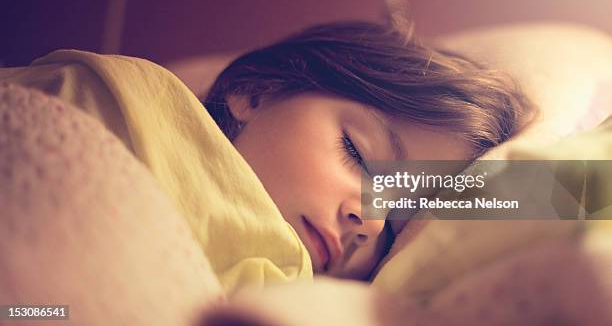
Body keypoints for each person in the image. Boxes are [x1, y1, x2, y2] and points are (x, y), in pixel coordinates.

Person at [202, 20, 535, 280]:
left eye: (393, 228)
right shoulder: (154, 109)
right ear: (255, 92)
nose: (371, 223)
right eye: (357, 154)